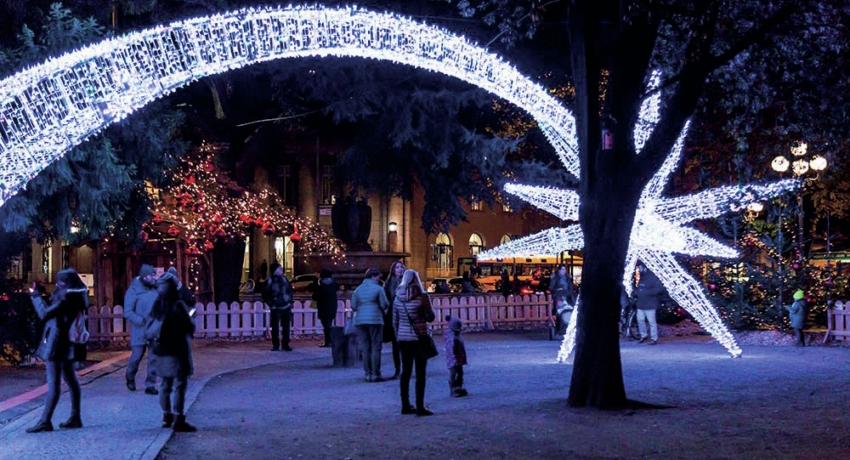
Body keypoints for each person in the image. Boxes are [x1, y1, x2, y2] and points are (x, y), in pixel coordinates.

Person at [25, 269, 88, 433]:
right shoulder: (77, 297)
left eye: (60, 281)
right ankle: (75, 417)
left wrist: (35, 296)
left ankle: (45, 420)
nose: (58, 284)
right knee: (70, 379)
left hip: (57, 344)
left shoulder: (65, 299)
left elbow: (44, 313)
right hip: (69, 346)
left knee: (53, 383)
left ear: (65, 282)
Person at [149, 272, 197, 432]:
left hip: (161, 349)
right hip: (178, 350)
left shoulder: (158, 305)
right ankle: (178, 418)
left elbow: (151, 325)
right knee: (180, 384)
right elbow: (189, 327)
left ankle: (166, 416)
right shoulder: (178, 305)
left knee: (164, 384)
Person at [394, 269, 436, 416]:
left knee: (405, 372)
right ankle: (419, 406)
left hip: (403, 338)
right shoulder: (422, 297)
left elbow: (395, 320)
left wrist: (399, 335)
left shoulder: (397, 297)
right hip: (419, 338)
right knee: (420, 373)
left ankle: (405, 405)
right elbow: (430, 317)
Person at [124, 264, 160, 394]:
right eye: (151, 275)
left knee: (154, 358)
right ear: (144, 276)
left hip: (154, 329)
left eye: (153, 275)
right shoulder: (133, 290)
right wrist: (140, 320)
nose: (153, 277)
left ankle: (150, 384)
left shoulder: (156, 289)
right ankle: (130, 376)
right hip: (140, 330)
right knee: (137, 356)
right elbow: (128, 312)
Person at [351, 268, 390, 382]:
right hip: (375, 320)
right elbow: (384, 304)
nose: (379, 279)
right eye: (378, 277)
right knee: (376, 347)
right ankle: (376, 373)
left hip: (360, 321)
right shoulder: (378, 289)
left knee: (365, 347)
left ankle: (367, 374)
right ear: (373, 276)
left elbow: (353, 306)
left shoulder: (358, 290)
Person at [262, 262, 294, 351]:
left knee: (286, 326)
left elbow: (290, 291)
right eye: (279, 269)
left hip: (286, 306)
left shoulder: (284, 279)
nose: (281, 270)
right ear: (275, 270)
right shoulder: (270, 281)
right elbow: (265, 294)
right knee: (275, 327)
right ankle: (276, 345)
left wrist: (289, 301)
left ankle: (285, 344)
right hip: (276, 307)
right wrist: (271, 304)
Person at [383, 261, 405, 379]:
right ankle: (398, 369)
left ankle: (407, 368)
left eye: (401, 267)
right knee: (396, 344)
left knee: (406, 343)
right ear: (393, 270)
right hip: (393, 315)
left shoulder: (407, 282)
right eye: (397, 267)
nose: (400, 269)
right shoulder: (388, 283)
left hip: (405, 314)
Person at [634, 263, 663, 345]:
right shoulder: (642, 277)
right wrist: (637, 292)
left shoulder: (652, 277)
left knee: (651, 322)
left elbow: (658, 289)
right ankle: (643, 335)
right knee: (640, 320)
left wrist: (645, 292)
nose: (639, 269)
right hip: (641, 303)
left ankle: (654, 338)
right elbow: (639, 287)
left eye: (640, 268)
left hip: (650, 304)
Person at [310, 269, 339, 348]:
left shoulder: (322, 287)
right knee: (329, 325)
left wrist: (315, 281)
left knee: (326, 326)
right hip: (332, 307)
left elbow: (315, 296)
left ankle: (328, 342)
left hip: (323, 308)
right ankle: (330, 341)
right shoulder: (333, 285)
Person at [443, 315, 468, 398]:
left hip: (458, 358)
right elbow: (451, 350)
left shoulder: (457, 336)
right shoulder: (452, 337)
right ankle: (453, 390)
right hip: (454, 359)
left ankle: (458, 388)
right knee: (453, 373)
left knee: (460, 373)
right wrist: (455, 359)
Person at [548, 265, 576, 334]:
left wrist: (570, 291)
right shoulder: (555, 277)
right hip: (559, 295)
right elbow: (551, 287)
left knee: (571, 307)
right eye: (562, 269)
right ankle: (560, 326)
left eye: (564, 269)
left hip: (568, 295)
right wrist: (558, 289)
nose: (564, 271)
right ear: (559, 270)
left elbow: (571, 287)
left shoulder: (568, 277)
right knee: (560, 309)